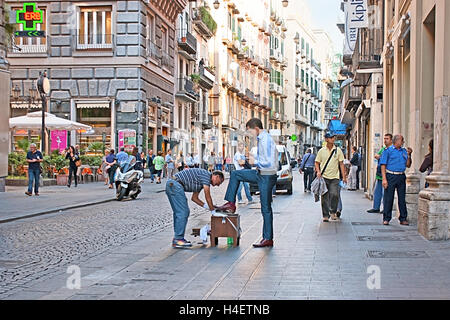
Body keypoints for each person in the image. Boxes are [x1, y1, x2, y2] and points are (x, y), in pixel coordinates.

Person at [216, 118, 278, 248]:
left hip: (266, 176)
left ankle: (268, 238)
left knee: (266, 208)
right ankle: (231, 203)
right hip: (260, 173)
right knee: (235, 174)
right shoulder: (261, 139)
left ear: (255, 129)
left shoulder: (265, 140)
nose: (250, 134)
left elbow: (269, 162)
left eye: (249, 131)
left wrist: (253, 161)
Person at [166, 169, 225, 248]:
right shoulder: (206, 176)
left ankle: (177, 238)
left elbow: (194, 198)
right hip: (175, 185)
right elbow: (207, 195)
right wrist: (213, 211)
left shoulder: (201, 182)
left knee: (179, 212)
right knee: (183, 212)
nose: (218, 185)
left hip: (172, 184)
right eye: (220, 182)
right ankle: (178, 239)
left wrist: (209, 207)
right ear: (216, 176)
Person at [379, 134, 412, 226]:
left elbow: (408, 165)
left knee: (402, 198)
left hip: (401, 176)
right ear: (397, 141)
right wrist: (384, 179)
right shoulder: (388, 151)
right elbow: (383, 165)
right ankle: (386, 218)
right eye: (402, 140)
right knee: (389, 198)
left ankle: (403, 218)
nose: (403, 142)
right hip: (391, 175)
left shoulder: (404, 151)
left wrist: (409, 155)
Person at [315, 133, 347, 222]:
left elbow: (341, 164)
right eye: (331, 138)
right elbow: (317, 162)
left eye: (333, 137)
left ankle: (332, 211)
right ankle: (325, 215)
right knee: (324, 197)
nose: (333, 139)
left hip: (335, 177)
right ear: (326, 139)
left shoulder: (338, 150)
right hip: (324, 177)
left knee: (335, 194)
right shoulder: (321, 151)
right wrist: (318, 171)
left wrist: (344, 176)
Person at [367, 133, 393, 214]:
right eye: (384, 138)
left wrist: (380, 157)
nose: (385, 140)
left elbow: (388, 159)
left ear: (391, 140)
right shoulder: (384, 149)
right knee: (377, 192)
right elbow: (376, 155)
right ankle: (376, 207)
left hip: (386, 175)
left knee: (385, 193)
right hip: (379, 175)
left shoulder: (392, 149)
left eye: (387, 139)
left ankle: (385, 208)